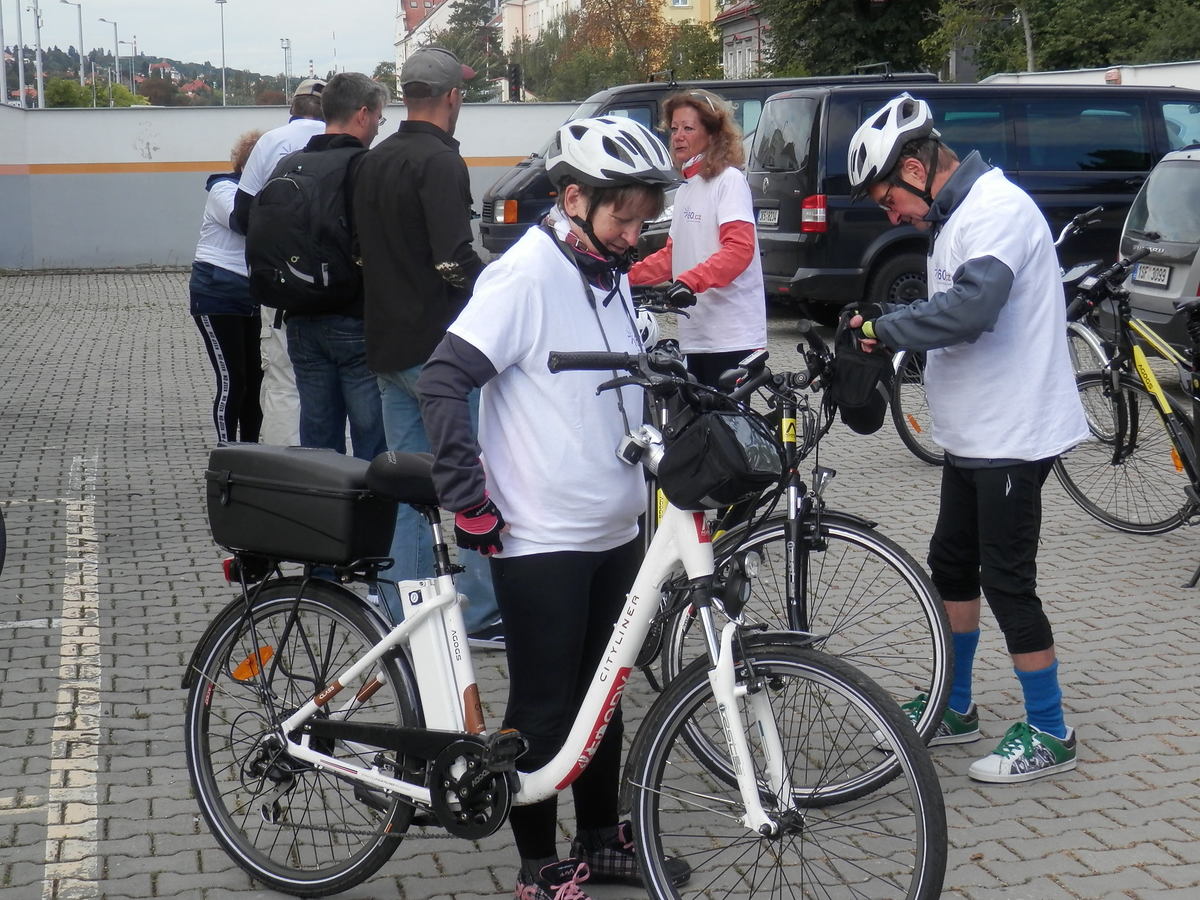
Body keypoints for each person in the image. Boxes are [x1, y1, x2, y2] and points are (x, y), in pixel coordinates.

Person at [417, 115, 689, 900]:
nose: (635, 235)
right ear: (573, 200)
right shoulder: (525, 276)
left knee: (604, 699)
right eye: (624, 218)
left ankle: (599, 839)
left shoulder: (606, 270)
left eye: (644, 219)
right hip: (542, 536)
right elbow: (442, 380)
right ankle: (537, 867)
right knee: (545, 709)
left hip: (614, 529)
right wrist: (467, 495)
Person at [846, 92, 1089, 783]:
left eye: (888, 198)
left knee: (1008, 582)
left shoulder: (997, 209)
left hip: (1013, 433)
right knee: (951, 566)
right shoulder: (955, 217)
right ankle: (956, 706)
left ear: (916, 169)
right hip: (973, 434)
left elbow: (974, 308)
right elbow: (948, 304)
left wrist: (885, 327)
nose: (890, 213)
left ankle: (1051, 730)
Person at [353, 47, 501, 645]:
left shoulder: (374, 159)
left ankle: (402, 611)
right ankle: (482, 612)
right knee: (473, 477)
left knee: (409, 488)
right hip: (441, 353)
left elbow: (359, 250)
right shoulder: (440, 161)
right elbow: (452, 259)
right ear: (451, 97)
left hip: (387, 346)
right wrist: (501, 286)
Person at [278, 71, 388, 461]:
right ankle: (372, 502)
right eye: (379, 117)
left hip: (300, 319)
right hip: (355, 320)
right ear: (363, 114)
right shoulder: (367, 167)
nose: (378, 125)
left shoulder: (290, 164)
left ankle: (322, 501)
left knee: (318, 441)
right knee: (372, 441)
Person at [629, 88, 766, 387]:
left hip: (731, 336)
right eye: (674, 129)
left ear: (713, 134)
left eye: (688, 128)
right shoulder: (686, 188)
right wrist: (626, 277)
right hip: (697, 336)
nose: (678, 136)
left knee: (725, 417)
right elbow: (673, 255)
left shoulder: (729, 181)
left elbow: (739, 250)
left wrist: (690, 281)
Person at [230, 77, 326, 446]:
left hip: (281, 281)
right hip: (338, 283)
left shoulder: (270, 142)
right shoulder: (347, 142)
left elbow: (242, 215)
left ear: (291, 109)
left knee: (284, 379)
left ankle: (286, 465)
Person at [189, 129, 264, 444]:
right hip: (217, 294)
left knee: (255, 382)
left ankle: (250, 451)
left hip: (252, 297)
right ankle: (225, 448)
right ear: (246, 165)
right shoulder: (223, 189)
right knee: (234, 379)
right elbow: (242, 221)